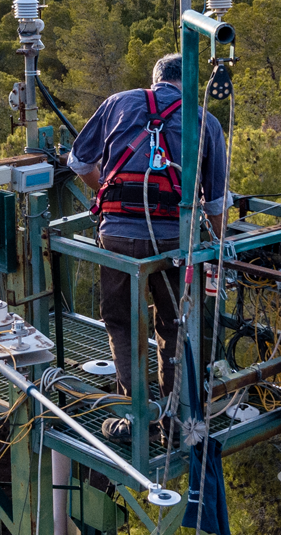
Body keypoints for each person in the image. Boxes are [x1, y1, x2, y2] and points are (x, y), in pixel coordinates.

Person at [66, 53, 227, 428]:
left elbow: (78, 162)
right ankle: (174, 413)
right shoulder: (206, 121)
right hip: (173, 239)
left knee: (121, 321)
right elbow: (215, 201)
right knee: (174, 322)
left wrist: (107, 189)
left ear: (154, 79)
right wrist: (221, 247)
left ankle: (134, 413)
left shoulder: (118, 103)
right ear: (187, 83)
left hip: (118, 235)